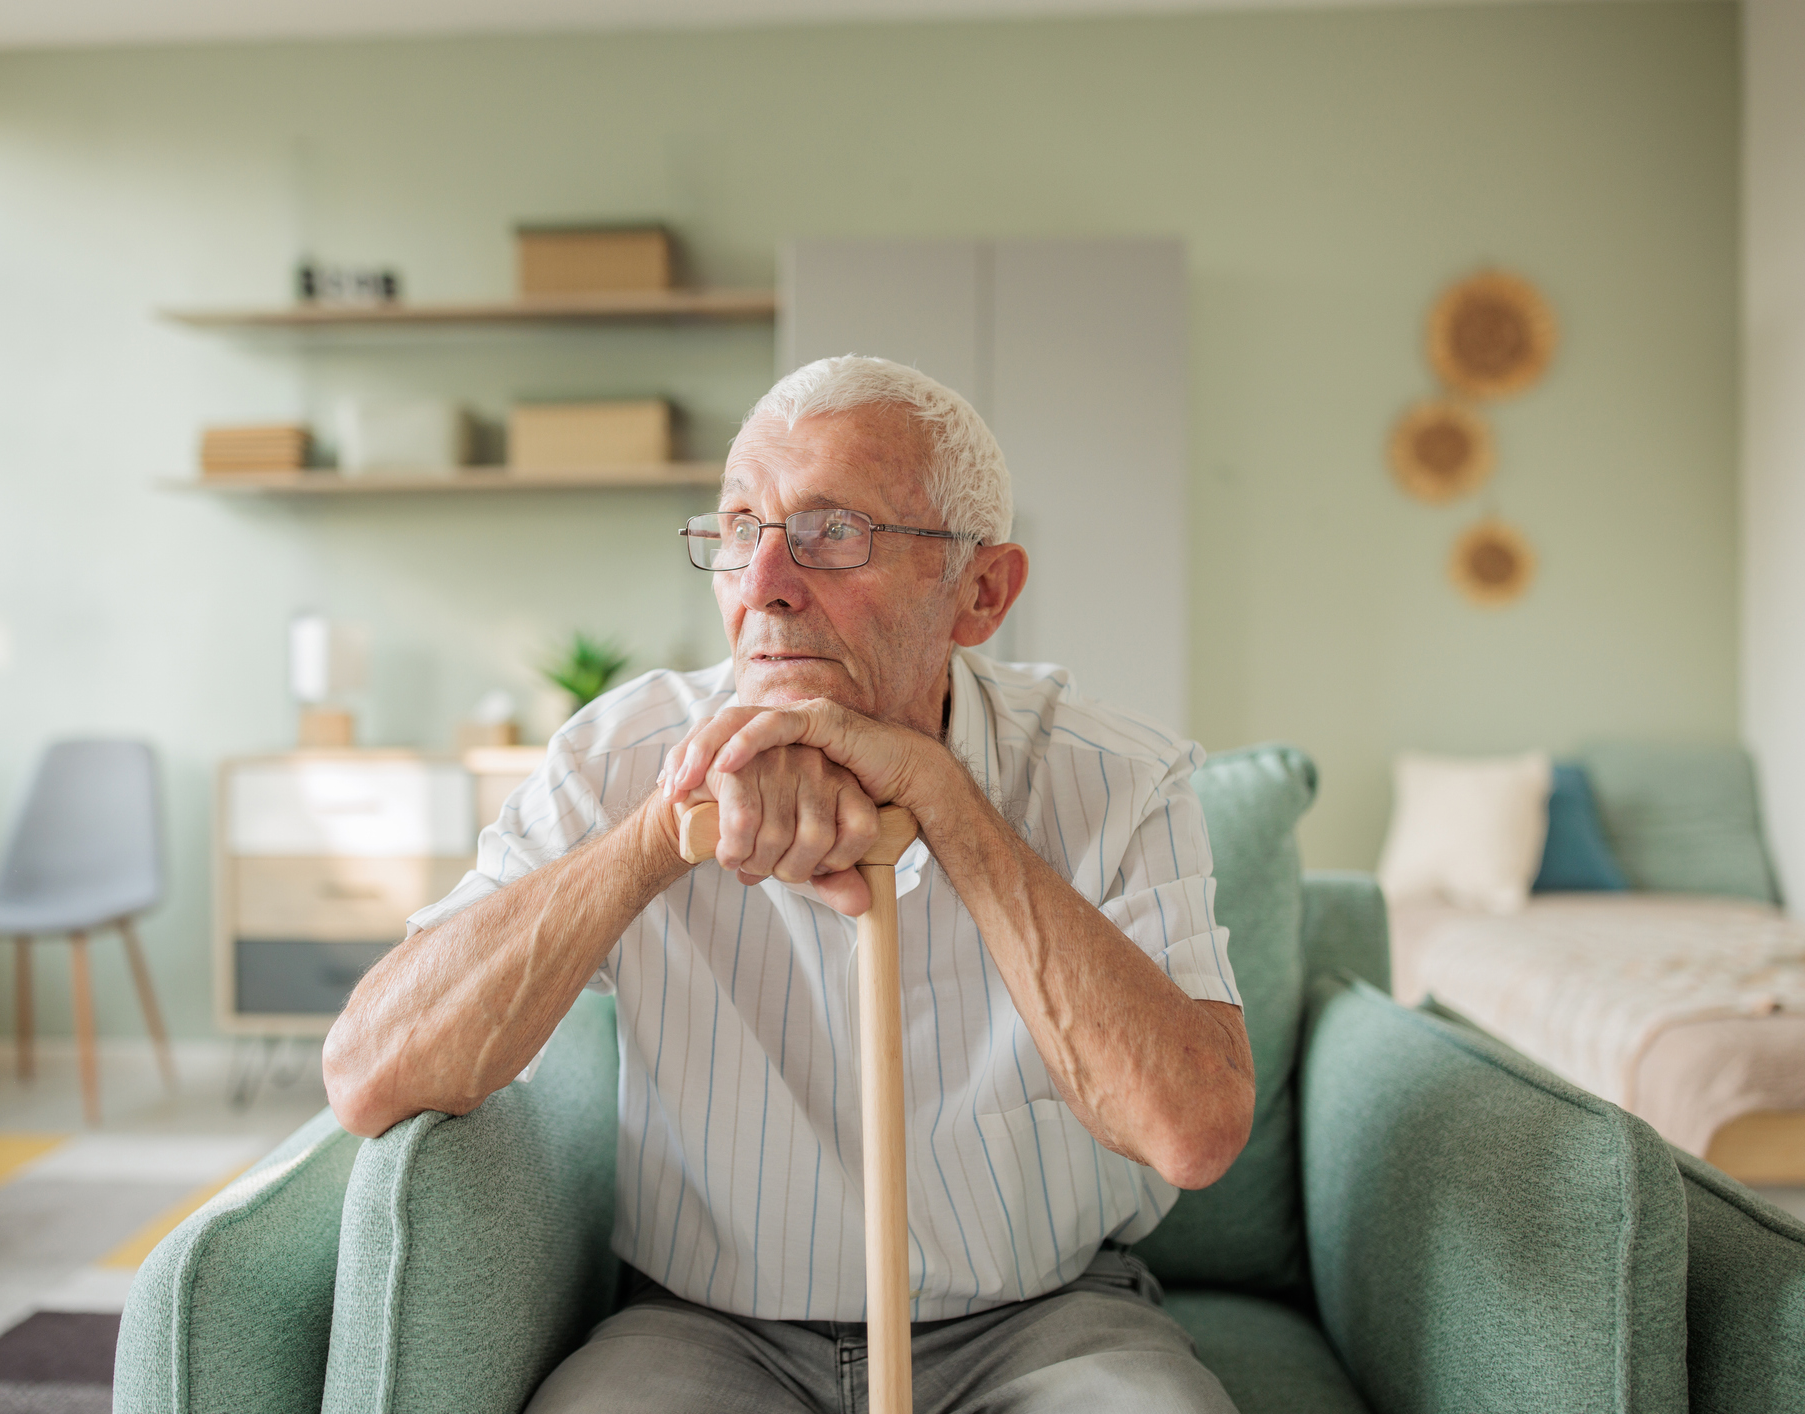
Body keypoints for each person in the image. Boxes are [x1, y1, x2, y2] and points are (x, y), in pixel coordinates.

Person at [324, 356, 1254, 1413]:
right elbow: (368, 1073)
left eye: (832, 532)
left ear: (980, 592)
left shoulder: (1116, 773)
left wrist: (944, 804)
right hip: (705, 1324)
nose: (763, 579)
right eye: (735, 530)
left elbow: (1191, 1130)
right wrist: (658, 836)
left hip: (1042, 1317)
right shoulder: (616, 756)